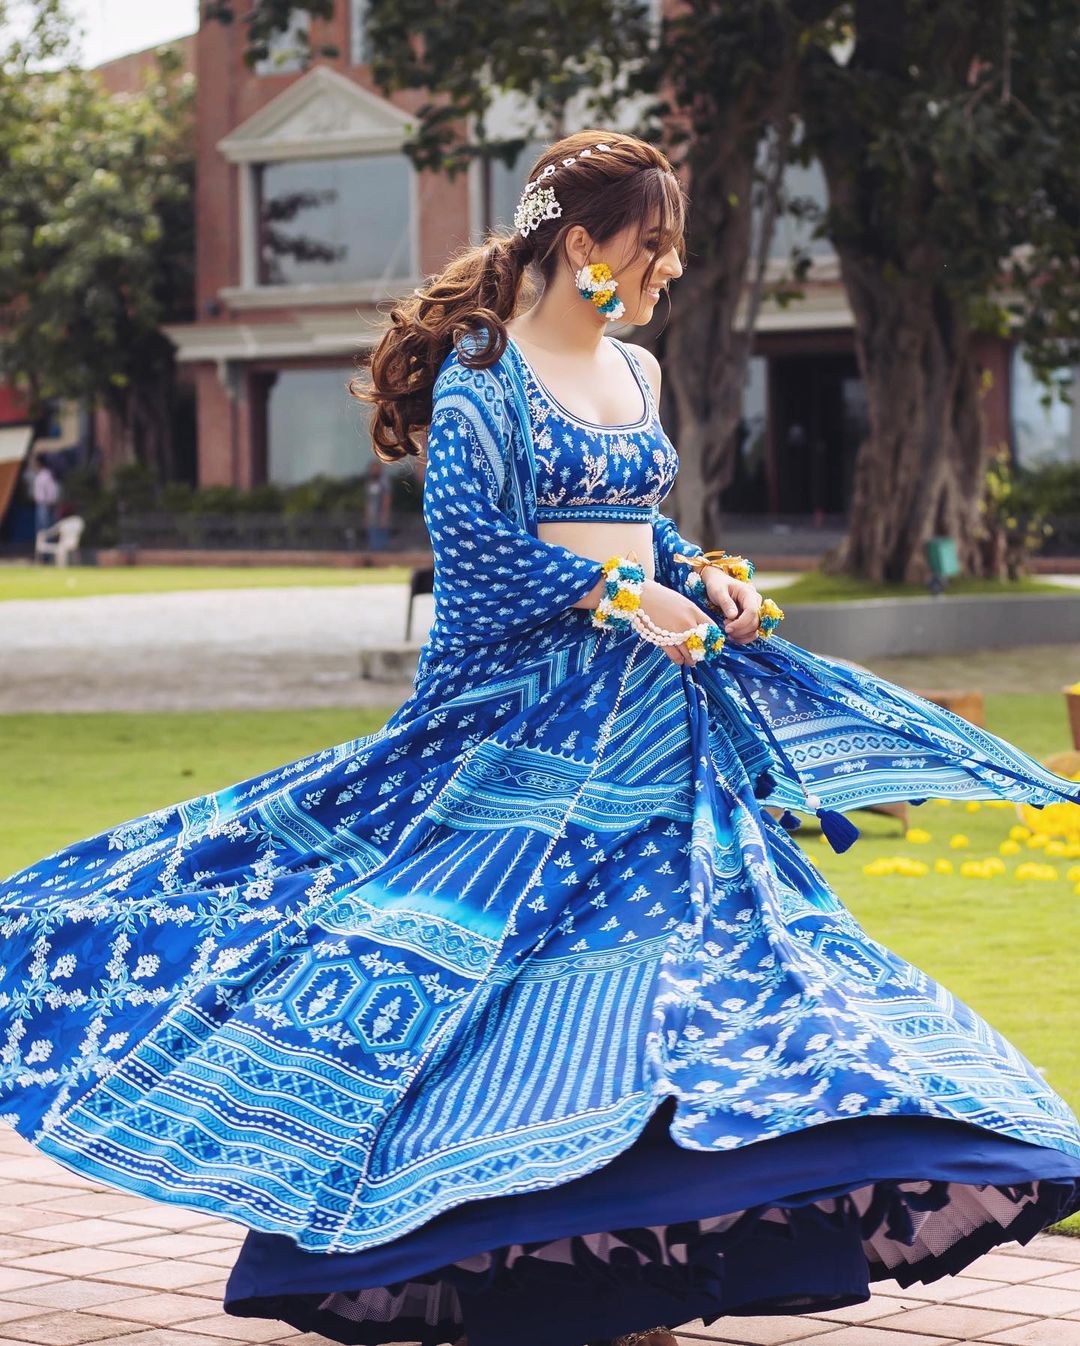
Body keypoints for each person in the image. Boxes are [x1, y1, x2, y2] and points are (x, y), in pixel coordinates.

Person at [2, 130, 1079, 1346]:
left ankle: (646, 1274)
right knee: (496, 999)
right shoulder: (481, 383)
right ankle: (517, 1264)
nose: (669, 269)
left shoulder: (644, 373)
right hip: (515, 739)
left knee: (697, 964)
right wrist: (623, 597)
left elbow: (642, 530)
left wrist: (707, 575)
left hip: (654, 733)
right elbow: (480, 565)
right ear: (583, 247)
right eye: (653, 247)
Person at [31, 456, 60, 537]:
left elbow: (52, 489)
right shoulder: (40, 474)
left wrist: (49, 502)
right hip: (40, 504)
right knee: (41, 528)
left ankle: (47, 547)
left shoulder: (46, 475)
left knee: (46, 528)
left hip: (45, 504)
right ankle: (42, 547)